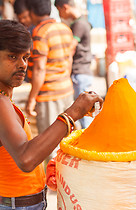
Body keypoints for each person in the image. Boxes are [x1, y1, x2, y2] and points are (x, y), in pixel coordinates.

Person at [0, 20, 102, 210]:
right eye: (12, 57)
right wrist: (72, 113)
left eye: (25, 57)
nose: (22, 65)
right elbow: (26, 159)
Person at [25, 0, 75, 158]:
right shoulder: (65, 28)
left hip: (49, 96)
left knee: (49, 145)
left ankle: (54, 181)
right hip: (66, 90)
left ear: (32, 12)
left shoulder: (40, 33)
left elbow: (40, 68)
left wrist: (32, 99)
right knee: (68, 139)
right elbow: (69, 61)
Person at [55, 0, 94, 128]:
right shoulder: (83, 22)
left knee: (83, 112)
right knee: (85, 112)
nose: (60, 15)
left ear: (64, 8)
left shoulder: (79, 24)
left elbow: (71, 48)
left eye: (59, 11)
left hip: (79, 72)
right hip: (83, 71)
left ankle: (88, 144)